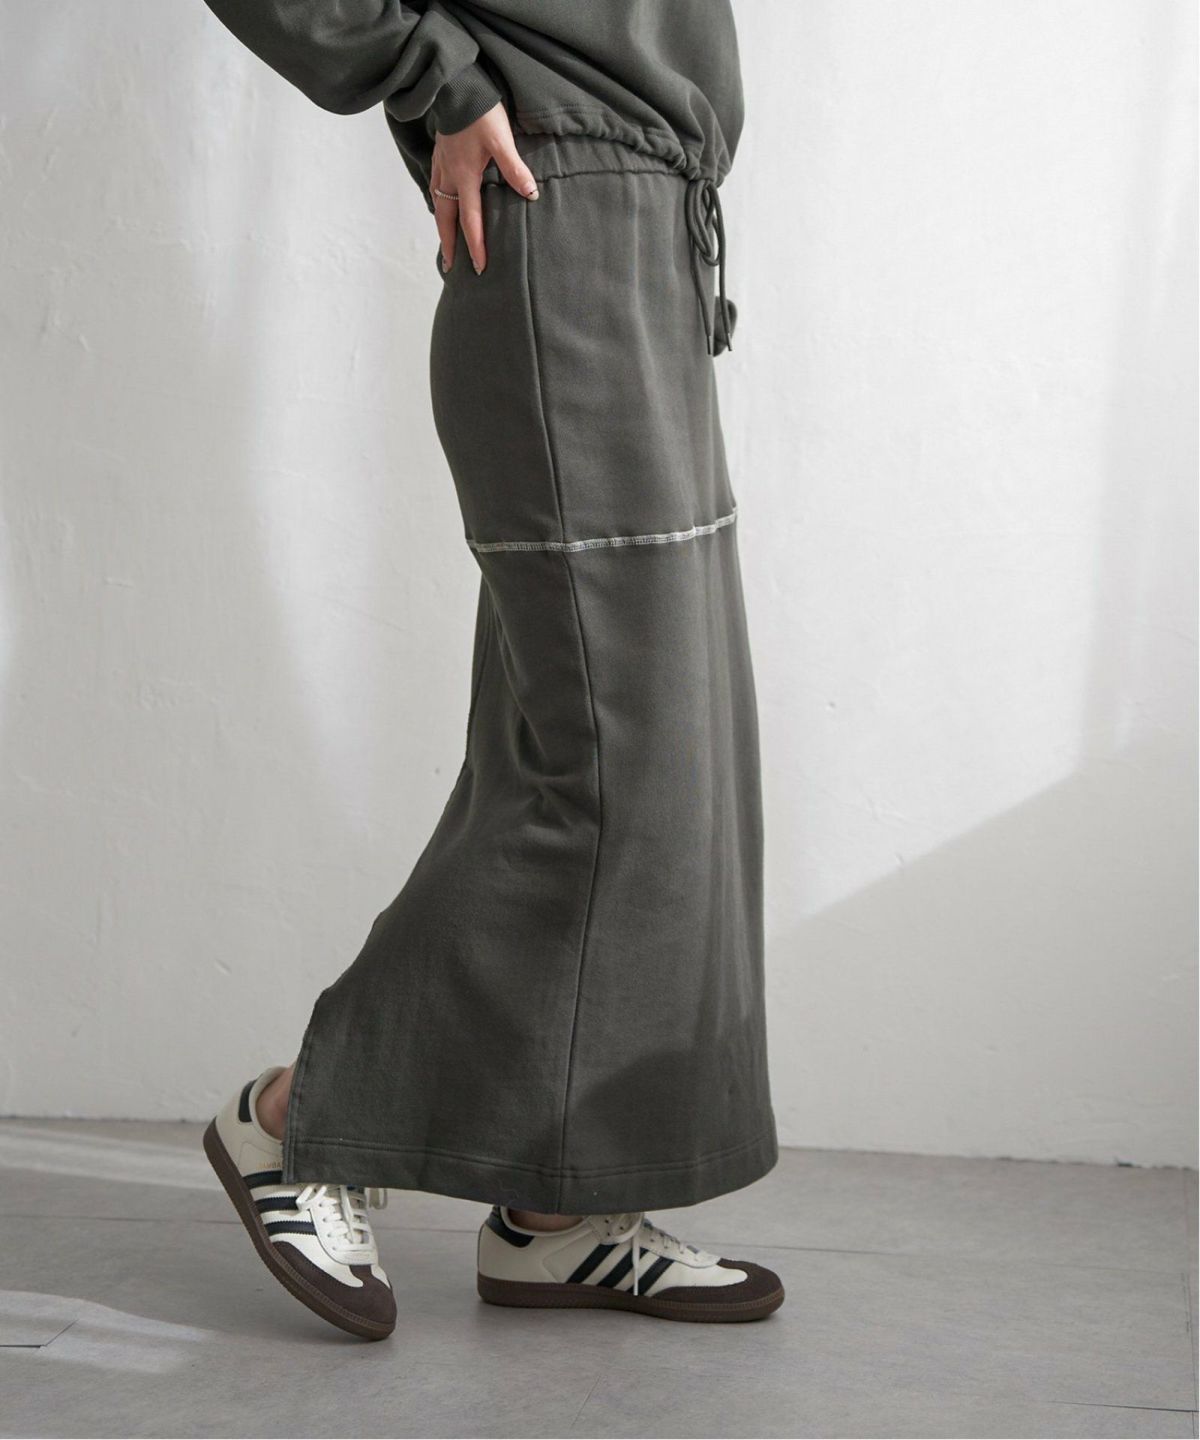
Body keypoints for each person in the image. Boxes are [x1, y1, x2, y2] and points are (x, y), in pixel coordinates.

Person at [198, 0, 782, 1340]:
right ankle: (298, 1121)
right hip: (554, 213)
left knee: (649, 757)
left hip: (652, 233)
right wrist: (435, 78)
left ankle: (559, 1207)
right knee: (619, 772)